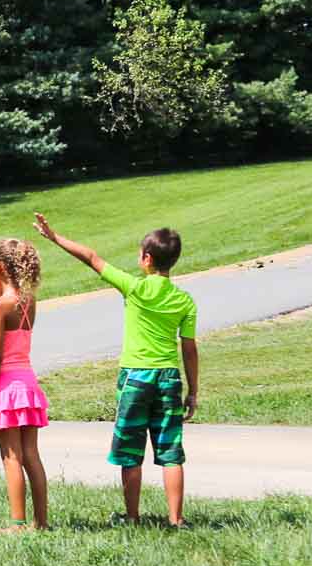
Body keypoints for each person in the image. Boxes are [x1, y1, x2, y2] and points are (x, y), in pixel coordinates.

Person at [34, 213, 200, 526]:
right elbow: (189, 349)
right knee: (170, 451)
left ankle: (133, 516)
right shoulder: (184, 301)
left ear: (147, 259)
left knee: (130, 450)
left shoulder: (133, 288)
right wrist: (193, 390)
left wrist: (54, 238)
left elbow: (92, 258)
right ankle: (176, 520)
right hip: (168, 377)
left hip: (136, 377)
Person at [0, 238, 50, 531]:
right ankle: (41, 522)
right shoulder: (28, 302)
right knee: (31, 455)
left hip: (6, 388)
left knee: (11, 456)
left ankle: (17, 524)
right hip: (28, 383)